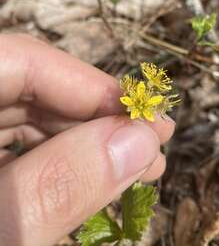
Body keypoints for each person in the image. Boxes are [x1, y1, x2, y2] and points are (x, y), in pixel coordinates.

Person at [0, 33, 175, 246]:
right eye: (138, 102)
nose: (140, 103)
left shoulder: (146, 106)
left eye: (142, 103)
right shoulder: (133, 101)